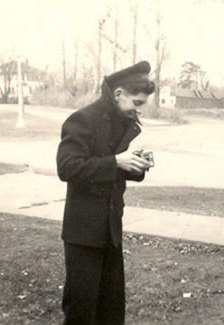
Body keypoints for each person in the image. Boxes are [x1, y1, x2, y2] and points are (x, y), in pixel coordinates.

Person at [56, 61, 155, 324]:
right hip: (83, 233)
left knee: (111, 309)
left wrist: (135, 165)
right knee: (81, 311)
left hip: (110, 231)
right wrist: (117, 162)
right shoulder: (83, 119)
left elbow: (112, 166)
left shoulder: (121, 120)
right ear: (118, 94)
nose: (139, 109)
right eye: (136, 102)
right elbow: (67, 168)